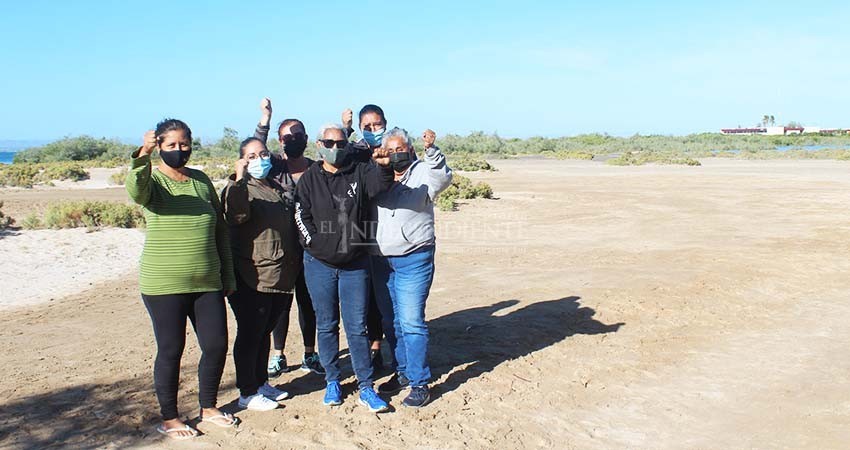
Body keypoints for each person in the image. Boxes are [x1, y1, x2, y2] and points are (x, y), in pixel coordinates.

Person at [125, 119, 238, 440]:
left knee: (216, 345)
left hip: (207, 282)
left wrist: (227, 274)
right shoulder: (153, 181)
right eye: (171, 145)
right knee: (171, 349)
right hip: (164, 283)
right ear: (159, 146)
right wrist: (141, 155)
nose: (179, 150)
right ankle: (170, 417)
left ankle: (209, 406)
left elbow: (220, 230)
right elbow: (136, 191)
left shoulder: (201, 181)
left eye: (184, 144)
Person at [295, 123, 393, 412]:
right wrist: (320, 246)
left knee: (357, 327)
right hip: (319, 264)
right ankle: (332, 381)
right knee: (326, 326)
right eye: (329, 143)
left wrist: (385, 167)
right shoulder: (309, 178)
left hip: (355, 265)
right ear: (318, 145)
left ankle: (366, 386)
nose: (335, 148)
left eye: (340, 143)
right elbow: (302, 218)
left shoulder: (359, 171)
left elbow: (380, 184)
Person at [371, 127, 452, 408]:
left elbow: (442, 178)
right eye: (390, 150)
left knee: (411, 321)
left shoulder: (423, 170)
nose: (396, 154)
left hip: (414, 258)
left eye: (400, 148)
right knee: (390, 321)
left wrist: (433, 151)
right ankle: (403, 371)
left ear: (411, 149)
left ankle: (420, 383)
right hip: (381, 260)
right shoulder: (377, 172)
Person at [220, 137, 300, 411]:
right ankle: (247, 391)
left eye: (263, 153)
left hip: (278, 273)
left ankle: (261, 381)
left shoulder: (274, 186)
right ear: (242, 160)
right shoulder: (241, 188)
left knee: (265, 330)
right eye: (251, 156)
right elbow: (236, 215)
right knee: (250, 333)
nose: (259, 159)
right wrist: (240, 178)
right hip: (251, 274)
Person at [252, 98, 324, 376]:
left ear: (306, 139)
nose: (292, 140)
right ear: (279, 141)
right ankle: (278, 355)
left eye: (297, 136)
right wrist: (265, 119)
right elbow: (254, 149)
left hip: (311, 249)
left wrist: (346, 128)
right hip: (281, 248)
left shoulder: (316, 168)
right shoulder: (274, 167)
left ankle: (310, 353)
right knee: (281, 303)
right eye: (286, 137)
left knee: (309, 303)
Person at [341, 104, 390, 370]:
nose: (373, 131)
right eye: (367, 127)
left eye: (377, 125)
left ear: (386, 122)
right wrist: (345, 129)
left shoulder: (397, 145)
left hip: (392, 232)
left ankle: (384, 345)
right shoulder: (356, 152)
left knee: (385, 294)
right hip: (362, 231)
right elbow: (335, 154)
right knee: (366, 295)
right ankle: (373, 347)